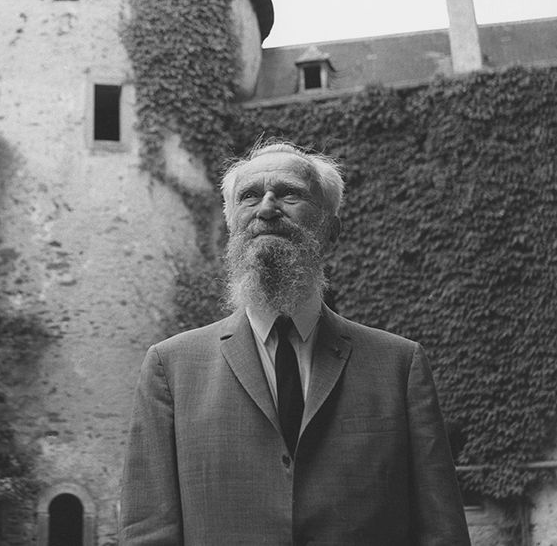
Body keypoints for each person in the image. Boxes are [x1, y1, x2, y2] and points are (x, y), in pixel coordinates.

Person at [119, 141, 470, 546]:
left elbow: (442, 533)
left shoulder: (399, 366)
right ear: (232, 227)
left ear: (330, 232)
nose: (267, 208)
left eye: (289, 194)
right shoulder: (171, 368)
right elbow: (148, 533)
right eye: (250, 196)